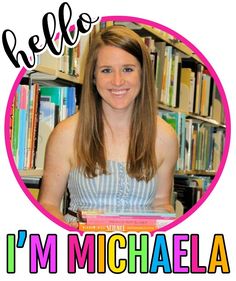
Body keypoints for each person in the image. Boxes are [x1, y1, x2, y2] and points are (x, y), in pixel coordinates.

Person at [38, 25, 178, 228]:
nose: (118, 81)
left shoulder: (165, 136)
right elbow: (48, 205)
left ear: (143, 74)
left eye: (128, 69)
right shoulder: (67, 134)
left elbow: (161, 204)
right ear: (93, 77)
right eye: (106, 70)